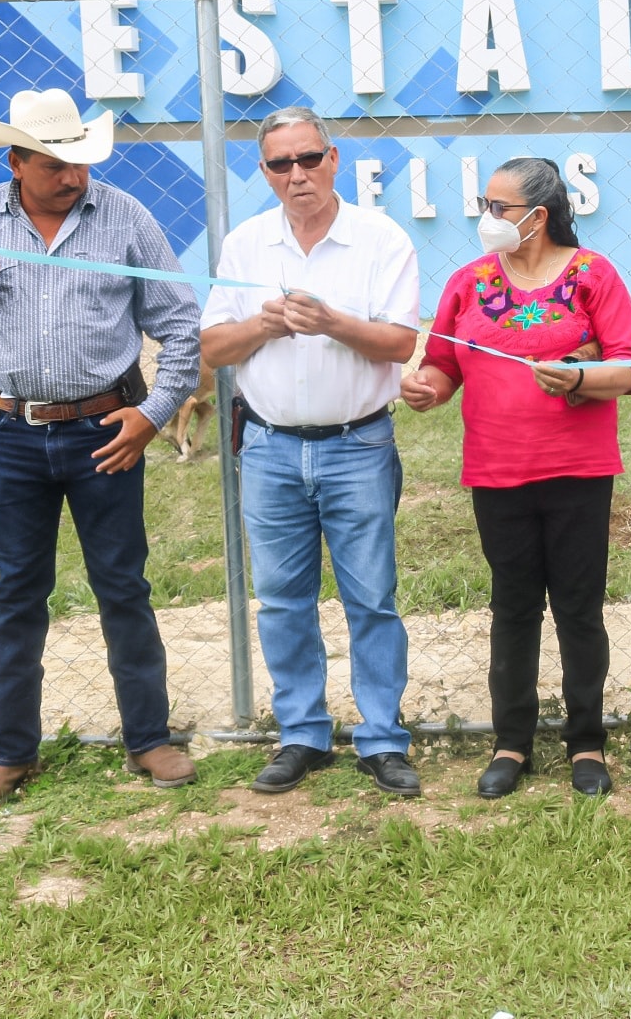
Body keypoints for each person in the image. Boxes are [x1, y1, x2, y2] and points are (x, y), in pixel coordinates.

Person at [0, 88, 202, 813]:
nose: (72, 176)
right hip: (8, 435)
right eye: (53, 164)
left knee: (123, 588)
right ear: (14, 161)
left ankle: (148, 737)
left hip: (107, 432)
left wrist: (152, 414)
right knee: (16, 594)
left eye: (79, 161)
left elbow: (182, 327)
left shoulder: (125, 218)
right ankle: (9, 754)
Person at [401, 156, 631, 798]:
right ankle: (512, 742)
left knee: (578, 610)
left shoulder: (594, 275)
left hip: (578, 472)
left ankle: (587, 743)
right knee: (512, 609)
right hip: (498, 472)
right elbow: (444, 366)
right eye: (485, 205)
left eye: (499, 208)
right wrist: (424, 388)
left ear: (538, 216)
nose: (488, 219)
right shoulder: (468, 281)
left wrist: (581, 378)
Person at [200, 108, 423, 798]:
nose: (296, 175)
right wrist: (261, 325)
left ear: (334, 159)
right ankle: (302, 733)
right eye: (280, 164)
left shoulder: (381, 240)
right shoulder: (245, 247)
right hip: (269, 449)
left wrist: (332, 322)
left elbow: (398, 343)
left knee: (372, 599)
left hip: (357, 444)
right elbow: (212, 349)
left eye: (308, 159)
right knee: (283, 602)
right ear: (264, 172)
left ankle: (382, 737)